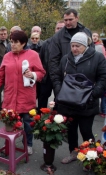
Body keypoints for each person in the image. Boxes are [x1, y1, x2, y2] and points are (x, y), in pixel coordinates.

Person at [52, 32, 106, 164]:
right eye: (72, 46)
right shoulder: (66, 58)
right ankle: (73, 153)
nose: (74, 49)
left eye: (78, 46)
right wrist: (60, 92)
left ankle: (91, 157)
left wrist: (93, 95)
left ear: (85, 46)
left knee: (86, 131)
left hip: (87, 104)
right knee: (71, 131)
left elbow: (103, 78)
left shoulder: (97, 57)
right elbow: (57, 76)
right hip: (68, 103)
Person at [0, 30, 45, 155]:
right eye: (12, 42)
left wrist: (33, 75)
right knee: (10, 122)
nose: (12, 45)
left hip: (26, 97)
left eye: (16, 42)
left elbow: (41, 73)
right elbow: (0, 76)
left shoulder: (33, 55)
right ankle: (9, 144)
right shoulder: (7, 56)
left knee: (28, 123)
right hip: (10, 97)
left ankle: (28, 144)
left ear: (24, 43)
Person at [49, 9, 93, 91]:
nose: (68, 22)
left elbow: (92, 54)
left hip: (86, 79)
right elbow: (53, 61)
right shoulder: (57, 37)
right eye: (66, 20)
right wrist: (57, 84)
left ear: (77, 18)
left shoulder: (86, 32)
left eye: (70, 19)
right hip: (66, 79)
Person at [38, 20, 65, 110]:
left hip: (61, 76)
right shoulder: (46, 43)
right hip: (47, 75)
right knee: (43, 97)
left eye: (62, 28)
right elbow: (40, 60)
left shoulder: (69, 44)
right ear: (55, 30)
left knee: (60, 98)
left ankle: (58, 118)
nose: (59, 30)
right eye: (58, 28)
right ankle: (40, 118)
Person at [0, 26, 9, 113]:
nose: (3, 36)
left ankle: (6, 105)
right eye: (1, 34)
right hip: (0, 70)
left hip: (9, 70)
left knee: (8, 90)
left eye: (4, 34)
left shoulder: (10, 43)